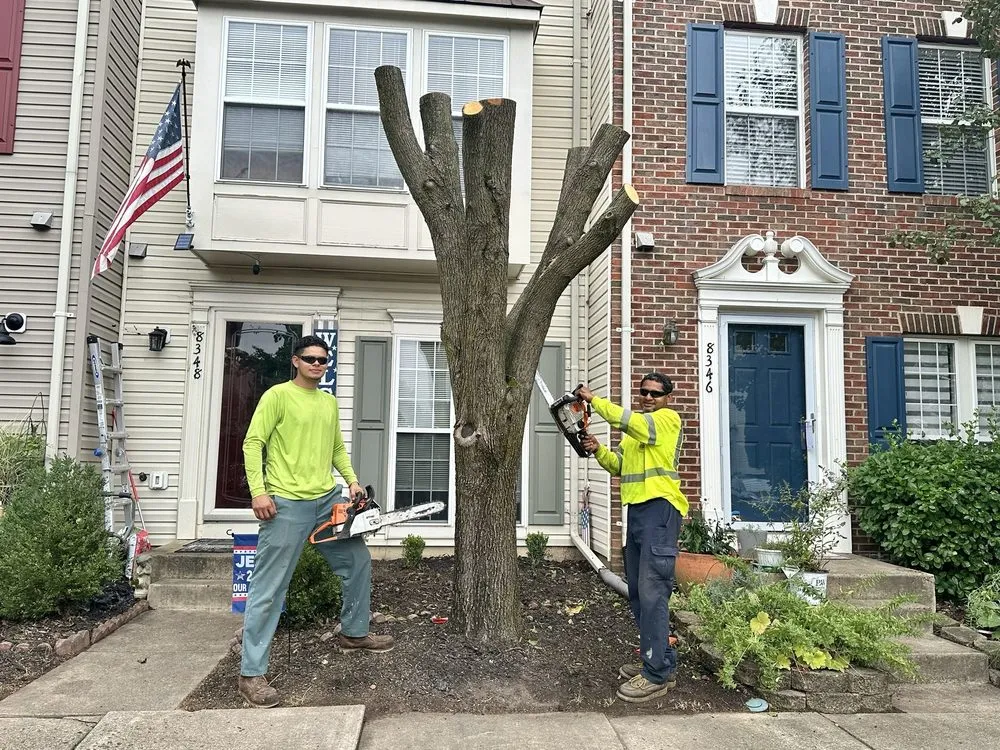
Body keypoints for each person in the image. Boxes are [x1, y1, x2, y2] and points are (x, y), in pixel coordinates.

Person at [237, 334, 393, 708]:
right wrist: (258, 491)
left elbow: (336, 448)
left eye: (324, 360)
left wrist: (352, 482)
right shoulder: (277, 396)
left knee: (357, 562)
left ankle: (354, 633)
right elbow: (252, 442)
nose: (318, 365)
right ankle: (251, 674)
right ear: (295, 361)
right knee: (270, 587)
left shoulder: (327, 402)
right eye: (311, 359)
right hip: (285, 504)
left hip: (326, 499)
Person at [578, 372, 688, 704]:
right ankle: (659, 660)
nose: (649, 397)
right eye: (644, 392)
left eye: (656, 393)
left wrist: (595, 401)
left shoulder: (667, 420)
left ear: (668, 397)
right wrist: (598, 449)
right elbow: (620, 468)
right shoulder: (635, 431)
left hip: (661, 511)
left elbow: (631, 423)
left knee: (654, 592)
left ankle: (655, 675)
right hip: (638, 513)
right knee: (640, 593)